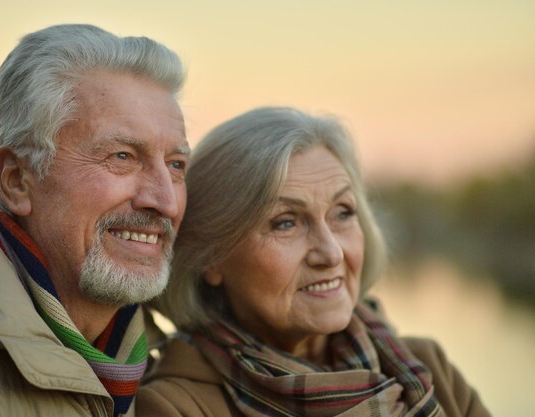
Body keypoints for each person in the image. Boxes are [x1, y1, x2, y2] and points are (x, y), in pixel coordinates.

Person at [0, 24, 189, 416]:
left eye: (176, 165)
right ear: (17, 181)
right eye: (122, 157)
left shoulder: (167, 371)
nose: (164, 200)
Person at [137, 107, 491, 416]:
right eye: (285, 222)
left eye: (343, 213)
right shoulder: (173, 407)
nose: (332, 253)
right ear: (211, 257)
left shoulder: (427, 368)